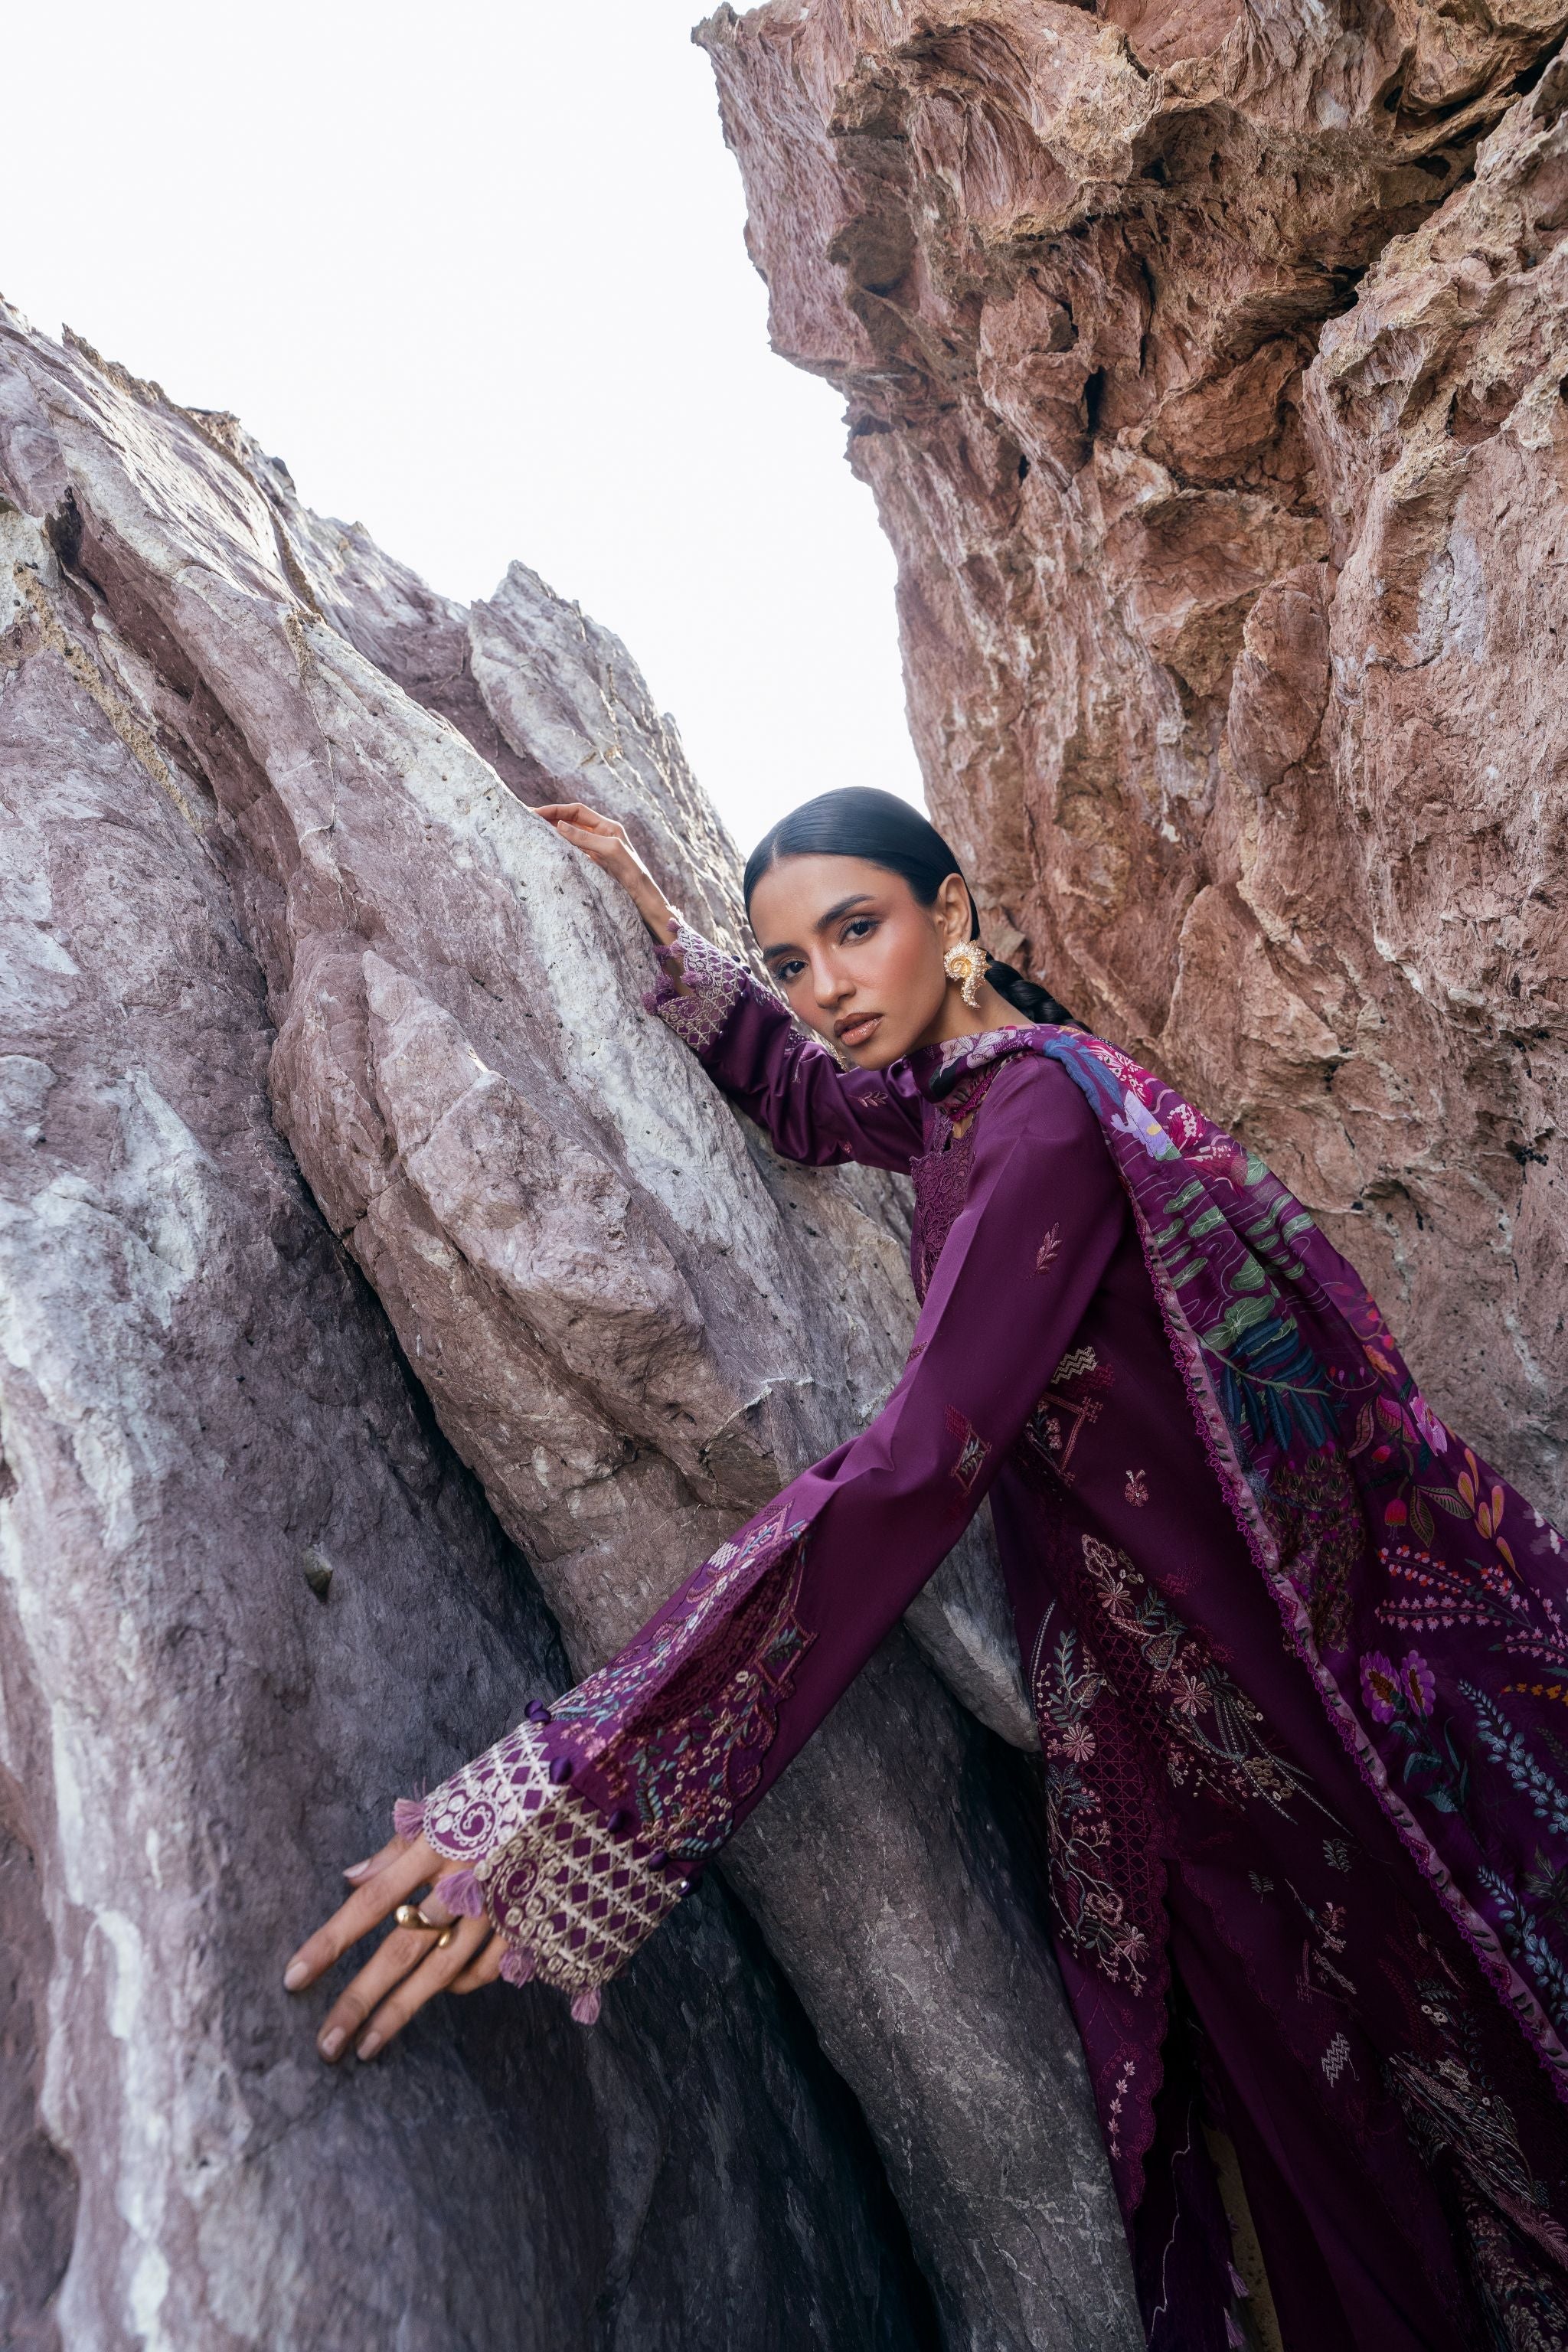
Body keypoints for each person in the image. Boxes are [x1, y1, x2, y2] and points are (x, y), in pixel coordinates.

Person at [287, 786, 1568, 2350]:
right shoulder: (967, 1099)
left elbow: (911, 1474)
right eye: (792, 963)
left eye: (855, 931)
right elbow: (819, 1106)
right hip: (1195, 1720)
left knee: (1445, 2070)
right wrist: (653, 917)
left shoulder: (1039, 1120)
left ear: (948, 913)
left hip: (1288, 1701)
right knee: (1342, 2102)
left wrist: (581, 1793)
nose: (826, 988)